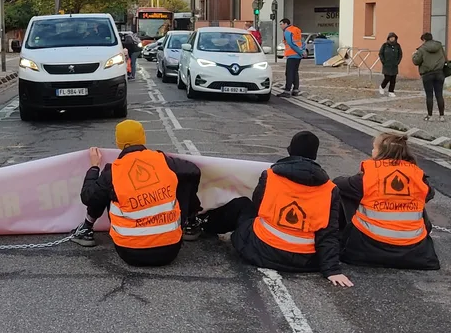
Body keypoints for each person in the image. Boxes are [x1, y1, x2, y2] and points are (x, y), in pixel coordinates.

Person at [201, 131, 354, 287]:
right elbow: (328, 232)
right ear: (314, 155)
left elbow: (258, 205)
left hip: (262, 250)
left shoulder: (270, 175)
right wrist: (332, 270)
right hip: (304, 260)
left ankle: (201, 225)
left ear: (290, 150)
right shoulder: (329, 189)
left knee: (242, 205)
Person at [71, 120, 202, 267]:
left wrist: (94, 167)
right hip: (170, 251)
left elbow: (88, 196)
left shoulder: (113, 171)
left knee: (105, 190)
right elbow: (194, 171)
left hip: (130, 252)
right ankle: (191, 223)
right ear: (143, 138)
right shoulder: (163, 161)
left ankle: (86, 229)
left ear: (118, 143)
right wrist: (190, 208)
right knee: (183, 177)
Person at [335, 134, 439, 270]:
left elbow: (338, 183)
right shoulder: (417, 175)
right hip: (413, 248)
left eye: (374, 148)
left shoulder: (369, 176)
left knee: (348, 193)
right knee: (418, 197)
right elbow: (429, 193)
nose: (372, 151)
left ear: (381, 152)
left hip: (369, 244)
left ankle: (341, 234)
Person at [412, 32, 447, 122]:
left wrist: (414, 55)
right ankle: (442, 116)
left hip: (427, 74)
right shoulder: (439, 46)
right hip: (439, 73)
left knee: (429, 95)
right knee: (439, 95)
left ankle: (430, 116)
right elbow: (445, 58)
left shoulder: (422, 49)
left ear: (424, 40)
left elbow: (416, 61)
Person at [278, 18, 304, 98]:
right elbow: (300, 41)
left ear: (286, 24)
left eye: (281, 24)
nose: (280, 26)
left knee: (289, 73)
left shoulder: (287, 31)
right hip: (298, 56)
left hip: (292, 55)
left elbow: (291, 43)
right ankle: (295, 90)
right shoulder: (296, 29)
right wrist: (301, 52)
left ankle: (287, 91)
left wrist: (300, 52)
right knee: (295, 72)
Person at [378, 33, 403, 97]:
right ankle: (382, 86)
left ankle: (391, 91)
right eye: (391, 37)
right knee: (387, 78)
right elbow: (380, 53)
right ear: (388, 38)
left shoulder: (397, 46)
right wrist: (383, 61)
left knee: (393, 79)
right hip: (387, 65)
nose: (392, 39)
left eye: (393, 37)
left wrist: (398, 61)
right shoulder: (385, 45)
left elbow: (400, 54)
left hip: (394, 65)